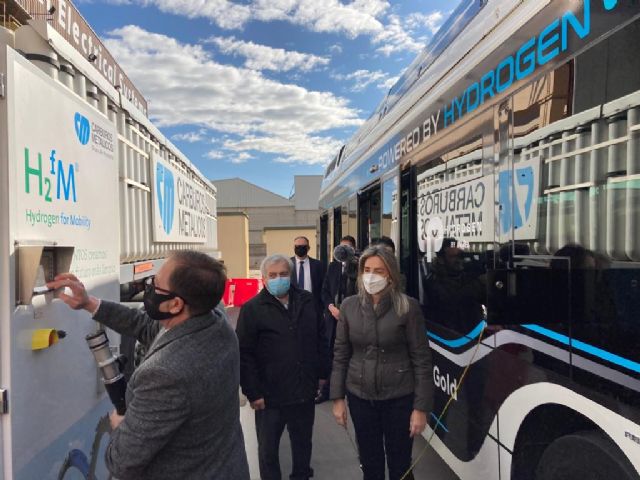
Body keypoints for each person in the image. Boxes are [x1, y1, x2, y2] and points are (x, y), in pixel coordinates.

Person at [46, 251, 250, 480]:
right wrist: (89, 303)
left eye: (155, 284)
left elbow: (122, 461)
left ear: (175, 304)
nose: (148, 288)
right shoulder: (215, 322)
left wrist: (120, 426)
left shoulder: (165, 374)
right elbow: (145, 326)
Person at [331, 246, 432, 480]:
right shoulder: (349, 306)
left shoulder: (408, 307)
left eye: (378, 270)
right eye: (366, 270)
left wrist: (420, 409)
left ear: (391, 275)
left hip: (399, 399)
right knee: (370, 463)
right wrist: (337, 399)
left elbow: (422, 360)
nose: (371, 275)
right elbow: (340, 354)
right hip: (361, 398)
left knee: (400, 465)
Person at [236, 254, 329, 480]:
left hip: (303, 392)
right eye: (273, 275)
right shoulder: (252, 309)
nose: (279, 279)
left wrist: (322, 374)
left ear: (291, 276)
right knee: (268, 452)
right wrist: (253, 392)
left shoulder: (307, 301)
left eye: (284, 274)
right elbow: (244, 354)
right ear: (264, 279)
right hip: (269, 397)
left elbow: (321, 338)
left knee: (302, 447)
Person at [318, 235, 358, 403]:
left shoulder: (358, 266)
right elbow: (325, 290)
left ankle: (352, 391)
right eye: (341, 248)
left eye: (347, 248)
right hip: (333, 319)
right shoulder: (333, 267)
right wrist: (331, 308)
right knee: (332, 355)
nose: (343, 251)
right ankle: (328, 391)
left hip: (353, 319)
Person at [290, 235, 325, 311]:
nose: (300, 248)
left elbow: (323, 287)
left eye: (303, 246)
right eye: (297, 246)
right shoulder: (287, 264)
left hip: (313, 307)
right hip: (293, 307)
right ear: (294, 248)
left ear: (308, 248)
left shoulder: (318, 265)